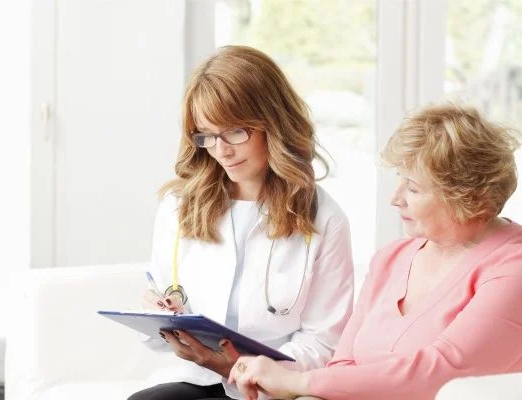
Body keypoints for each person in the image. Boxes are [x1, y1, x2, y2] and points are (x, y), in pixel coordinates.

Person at [228, 103, 522, 400]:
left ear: (467, 198)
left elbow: (441, 373)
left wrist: (298, 383)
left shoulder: (512, 267)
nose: (395, 199)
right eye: (399, 180)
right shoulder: (392, 259)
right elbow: (342, 365)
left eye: (414, 188)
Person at [128, 45, 354, 400]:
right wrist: (158, 312)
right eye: (206, 135)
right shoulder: (179, 206)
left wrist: (240, 368)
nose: (221, 150)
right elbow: (163, 297)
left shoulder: (324, 220)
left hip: (273, 389)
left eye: (235, 132)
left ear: (273, 122)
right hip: (196, 379)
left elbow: (324, 343)